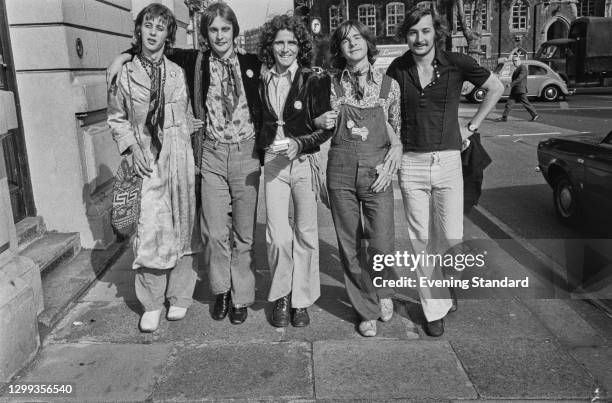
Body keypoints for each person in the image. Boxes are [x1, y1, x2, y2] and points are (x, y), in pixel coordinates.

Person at [108, 2, 263, 325]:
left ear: (234, 31)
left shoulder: (249, 64)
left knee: (227, 233)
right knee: (200, 231)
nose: (219, 35)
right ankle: (209, 293)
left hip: (232, 155)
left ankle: (237, 296)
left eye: (225, 28)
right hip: (197, 155)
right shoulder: (196, 61)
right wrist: (122, 56)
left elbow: (284, 70)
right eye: (213, 29)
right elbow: (148, 49)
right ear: (205, 35)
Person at [386, 4, 504, 337]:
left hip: (449, 163)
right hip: (411, 165)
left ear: (435, 32)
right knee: (421, 240)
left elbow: (495, 87)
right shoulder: (397, 69)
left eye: (424, 31)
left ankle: (444, 287)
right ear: (406, 36)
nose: (419, 38)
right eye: (412, 32)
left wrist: (473, 125)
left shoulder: (455, 63)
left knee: (450, 238)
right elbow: (383, 110)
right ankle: (433, 308)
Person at [107, 3, 202, 333]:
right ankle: (150, 302)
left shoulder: (177, 71)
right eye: (148, 26)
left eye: (160, 28)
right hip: (146, 158)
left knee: (183, 225)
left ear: (168, 34)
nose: (153, 32)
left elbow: (186, 110)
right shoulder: (125, 74)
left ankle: (179, 295)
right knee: (150, 227)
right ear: (139, 30)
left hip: (179, 156)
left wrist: (191, 127)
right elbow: (116, 118)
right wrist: (132, 147)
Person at [315, 20, 403, 337]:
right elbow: (318, 129)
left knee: (381, 244)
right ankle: (365, 308)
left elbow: (396, 128)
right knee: (350, 247)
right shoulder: (329, 85)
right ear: (339, 49)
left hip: (377, 173)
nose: (351, 43)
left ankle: (383, 293)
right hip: (340, 171)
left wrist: (396, 153)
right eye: (344, 40)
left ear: (367, 42)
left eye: (357, 37)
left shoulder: (388, 86)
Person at [257, 15, 332, 328]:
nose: (284, 48)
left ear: (300, 45)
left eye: (290, 42)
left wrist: (300, 144)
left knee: (306, 234)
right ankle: (282, 293)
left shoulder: (314, 78)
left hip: (303, 163)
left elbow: (325, 128)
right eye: (279, 42)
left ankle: (300, 301)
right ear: (270, 46)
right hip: (273, 164)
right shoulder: (261, 78)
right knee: (276, 236)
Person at [496, 54, 539, 122]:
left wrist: (511, 84)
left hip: (520, 90)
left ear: (519, 61)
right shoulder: (517, 68)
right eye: (513, 61)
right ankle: (504, 117)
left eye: (515, 60)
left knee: (525, 103)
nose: (514, 62)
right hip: (515, 90)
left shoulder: (523, 68)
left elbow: (520, 78)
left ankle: (535, 115)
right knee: (509, 104)